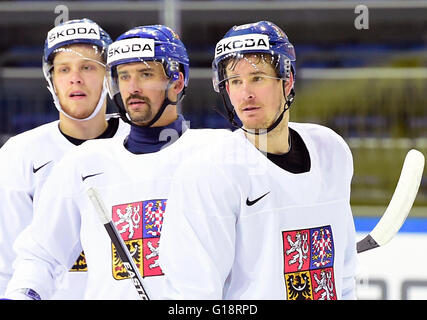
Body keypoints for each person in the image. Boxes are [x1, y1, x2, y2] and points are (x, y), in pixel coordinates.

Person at [4, 25, 231, 300]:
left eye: (145, 74)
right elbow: (41, 256)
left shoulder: (222, 152)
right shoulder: (84, 163)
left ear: (177, 82)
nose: (132, 88)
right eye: (124, 76)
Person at [158, 21, 358, 300]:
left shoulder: (331, 149)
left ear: (287, 81)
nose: (245, 93)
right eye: (235, 81)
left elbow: (343, 274)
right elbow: (193, 292)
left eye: (257, 78)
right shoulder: (209, 171)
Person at [0, 18, 130, 299]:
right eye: (64, 69)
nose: (75, 78)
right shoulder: (19, 154)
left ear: (108, 76)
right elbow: (7, 261)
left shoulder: (139, 143)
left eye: (87, 67)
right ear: (52, 80)